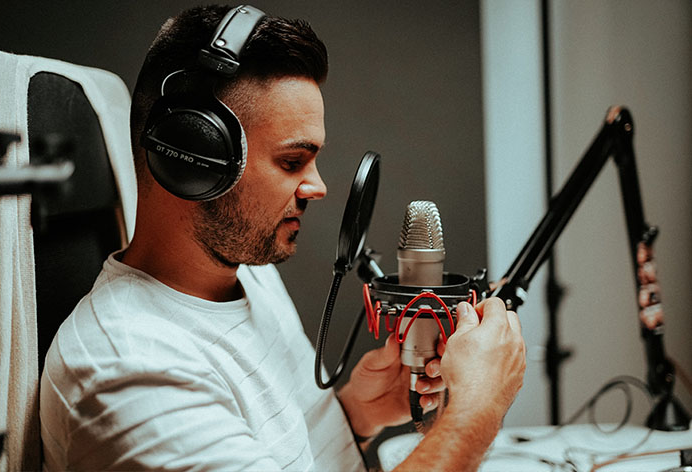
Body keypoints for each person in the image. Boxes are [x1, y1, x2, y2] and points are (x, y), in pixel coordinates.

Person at [39, 4, 526, 471]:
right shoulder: (127, 370)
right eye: (293, 162)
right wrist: (475, 413)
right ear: (192, 158)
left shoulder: (250, 276)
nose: (318, 186)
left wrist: (355, 416)